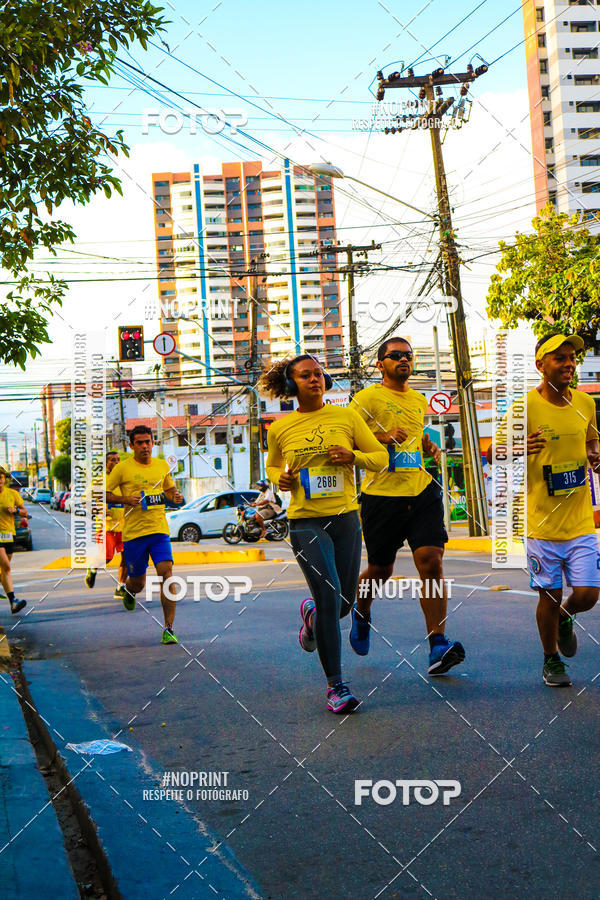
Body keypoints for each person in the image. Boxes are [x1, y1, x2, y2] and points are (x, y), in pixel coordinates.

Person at [260, 355, 388, 714]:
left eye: (319, 374)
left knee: (343, 605)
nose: (315, 379)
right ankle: (337, 687)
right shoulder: (280, 429)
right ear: (291, 385)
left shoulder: (346, 416)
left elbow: (379, 457)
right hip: (305, 522)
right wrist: (279, 479)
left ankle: (312, 618)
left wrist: (353, 457)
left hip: (346, 518)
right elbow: (272, 466)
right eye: (306, 375)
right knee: (331, 598)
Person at [488, 333, 600, 687]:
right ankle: (551, 659)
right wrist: (520, 445)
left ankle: (568, 615)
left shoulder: (585, 403)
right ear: (540, 365)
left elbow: (591, 440)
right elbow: (493, 452)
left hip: (580, 519)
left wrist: (595, 456)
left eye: (572, 358)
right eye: (560, 358)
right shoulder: (525, 408)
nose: (569, 363)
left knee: (589, 594)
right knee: (547, 596)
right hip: (541, 523)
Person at [349, 336, 465, 675]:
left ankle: (437, 645)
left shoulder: (417, 399)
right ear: (380, 363)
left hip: (421, 490)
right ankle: (362, 612)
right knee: (381, 570)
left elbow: (412, 436)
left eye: (408, 355)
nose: (403, 359)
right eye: (395, 355)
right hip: (381, 496)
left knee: (431, 561)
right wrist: (383, 438)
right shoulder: (367, 398)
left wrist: (426, 444)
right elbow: (347, 436)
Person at [106, 425, 184, 644]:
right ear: (131, 445)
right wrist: (125, 500)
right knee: (138, 583)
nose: (144, 446)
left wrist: (175, 496)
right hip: (134, 534)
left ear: (153, 443)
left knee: (166, 573)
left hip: (159, 530)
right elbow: (103, 494)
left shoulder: (161, 466)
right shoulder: (122, 469)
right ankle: (129, 591)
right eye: (139, 442)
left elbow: (169, 490)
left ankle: (168, 628)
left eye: (148, 441)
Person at [85, 450, 128, 599]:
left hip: (126, 526)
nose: (116, 462)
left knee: (127, 557)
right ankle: (93, 568)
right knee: (107, 557)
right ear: (105, 464)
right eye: (112, 460)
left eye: (118, 460)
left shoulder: (125, 480)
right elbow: (85, 501)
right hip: (106, 527)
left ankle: (121, 587)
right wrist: (98, 510)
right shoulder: (99, 481)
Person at [0, 470, 27, 614]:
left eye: (1, 478)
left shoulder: (12, 494)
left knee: (4, 570)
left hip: (9, 534)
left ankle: (12, 602)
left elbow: (25, 512)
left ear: (4, 479)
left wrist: (15, 510)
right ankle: (13, 601)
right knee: (6, 567)